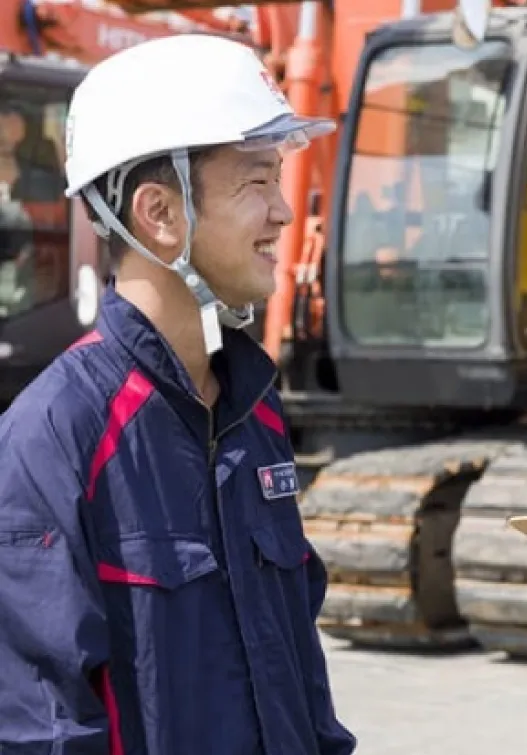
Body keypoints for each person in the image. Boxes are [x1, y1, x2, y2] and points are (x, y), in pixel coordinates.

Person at [0, 34, 356, 754]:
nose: (284, 213)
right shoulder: (53, 437)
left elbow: (304, 681)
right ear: (160, 214)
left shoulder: (253, 412)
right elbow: (42, 731)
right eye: (256, 182)